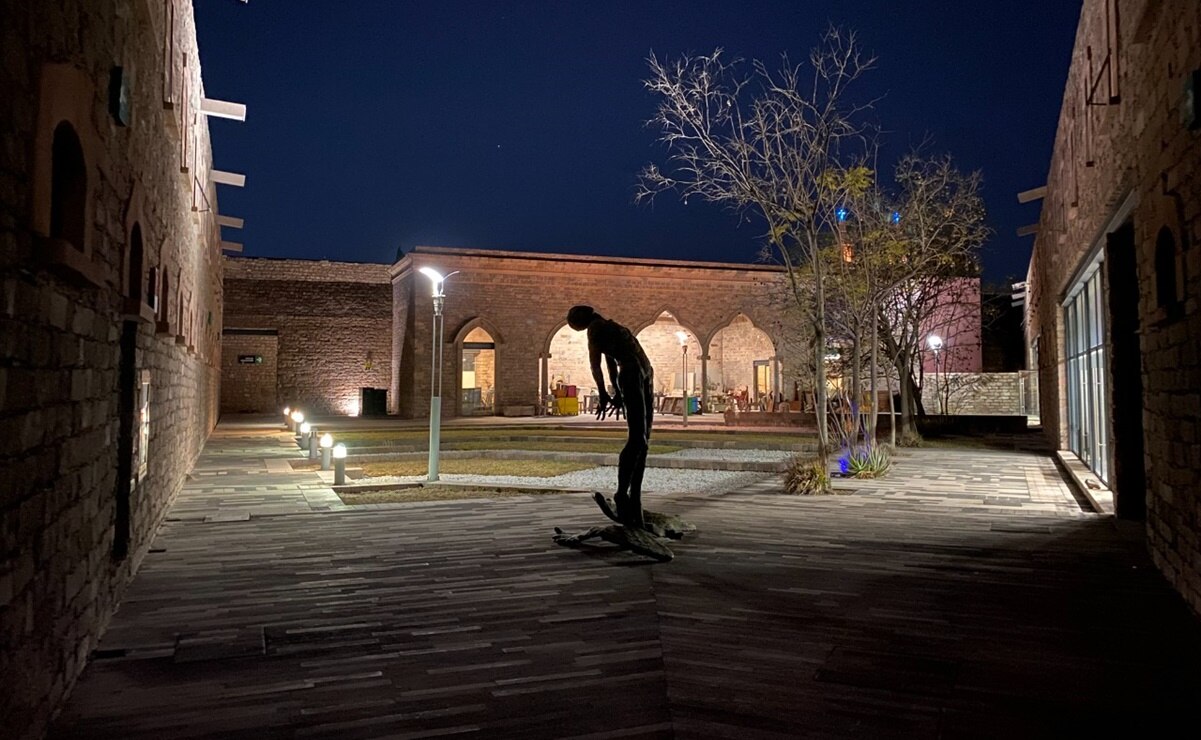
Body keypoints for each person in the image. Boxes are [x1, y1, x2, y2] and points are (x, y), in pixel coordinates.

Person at [566, 305, 654, 528]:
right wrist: (606, 391)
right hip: (634, 373)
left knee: (643, 442)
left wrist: (610, 389)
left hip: (642, 373)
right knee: (638, 439)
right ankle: (623, 494)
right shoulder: (600, 327)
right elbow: (598, 364)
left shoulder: (601, 327)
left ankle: (634, 496)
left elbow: (603, 362)